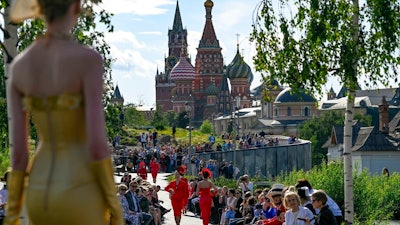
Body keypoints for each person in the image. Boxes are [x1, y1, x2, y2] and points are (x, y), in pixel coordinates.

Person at [5, 1, 123, 225]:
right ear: (76, 7)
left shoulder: (20, 65)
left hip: (39, 193)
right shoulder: (88, 60)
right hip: (80, 188)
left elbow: (19, 156)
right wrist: (113, 203)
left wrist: (12, 213)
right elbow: (97, 145)